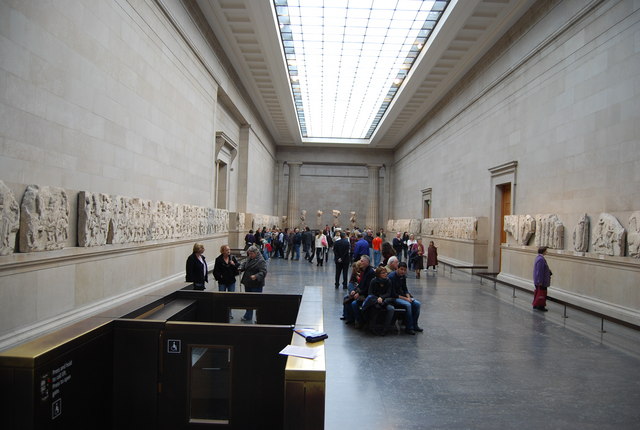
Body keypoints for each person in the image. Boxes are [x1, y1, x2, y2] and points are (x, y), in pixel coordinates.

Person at [388, 262, 423, 335]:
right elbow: (393, 294)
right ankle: (409, 327)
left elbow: (405, 288)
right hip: (393, 298)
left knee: (417, 304)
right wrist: (406, 299)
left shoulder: (403, 276)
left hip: (402, 296)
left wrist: (409, 297)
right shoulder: (391, 277)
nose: (403, 271)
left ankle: (415, 325)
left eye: (404, 270)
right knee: (408, 305)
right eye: (401, 269)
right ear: (397, 268)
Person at [362, 266, 395, 336]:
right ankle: (372, 327)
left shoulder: (388, 281)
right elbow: (370, 293)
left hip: (385, 301)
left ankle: (385, 329)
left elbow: (388, 293)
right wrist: (377, 299)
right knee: (374, 308)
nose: (385, 274)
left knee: (391, 309)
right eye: (383, 273)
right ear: (378, 274)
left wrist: (381, 298)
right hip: (375, 300)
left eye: (386, 272)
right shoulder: (373, 281)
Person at [238, 245, 268, 321]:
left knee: (256, 301)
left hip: (256, 284)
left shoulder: (261, 261)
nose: (250, 255)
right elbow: (245, 264)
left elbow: (263, 272)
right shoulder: (250, 258)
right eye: (249, 253)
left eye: (251, 253)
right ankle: (248, 316)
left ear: (256, 253)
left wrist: (256, 276)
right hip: (248, 282)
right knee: (248, 300)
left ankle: (259, 317)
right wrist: (241, 267)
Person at [532, 246, 552, 312]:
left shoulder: (539, 258)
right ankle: (540, 306)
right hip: (541, 281)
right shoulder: (541, 259)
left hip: (540, 281)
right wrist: (539, 281)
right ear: (543, 251)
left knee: (538, 293)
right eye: (546, 250)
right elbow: (539, 271)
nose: (547, 252)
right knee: (542, 293)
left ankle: (536, 304)